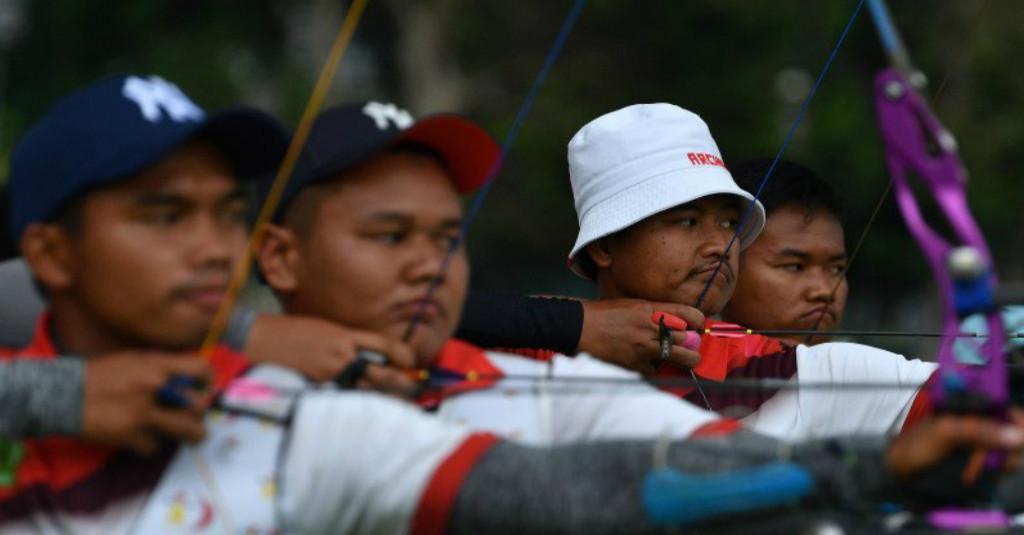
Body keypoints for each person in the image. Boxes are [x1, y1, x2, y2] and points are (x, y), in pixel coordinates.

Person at [3, 76, 1023, 534]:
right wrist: (55, 397)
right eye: (162, 213)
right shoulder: (276, 391)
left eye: (446, 240)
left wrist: (871, 465)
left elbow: (611, 477)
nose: (202, 246)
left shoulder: (310, 432)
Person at [560, 103, 936, 435]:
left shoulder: (807, 369)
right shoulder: (531, 357)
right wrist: (564, 324)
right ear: (604, 246)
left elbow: (975, 400)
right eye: (688, 222)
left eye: (728, 225)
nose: (721, 246)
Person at [722, 159, 848, 345]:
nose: (825, 291)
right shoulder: (674, 365)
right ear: (723, 267)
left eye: (837, 269)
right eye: (795, 266)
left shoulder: (859, 370)